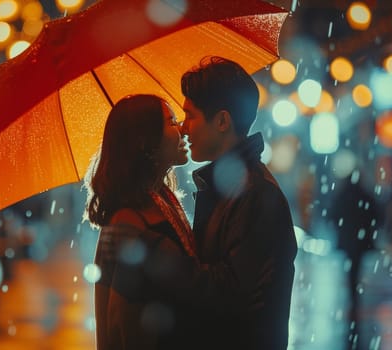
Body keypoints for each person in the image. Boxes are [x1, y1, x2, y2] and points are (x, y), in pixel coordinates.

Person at [178, 55, 297, 349]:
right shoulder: (231, 187)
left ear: (221, 121)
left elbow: (228, 294)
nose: (183, 127)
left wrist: (163, 260)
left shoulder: (255, 194)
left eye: (190, 115)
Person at [86, 94, 194, 349]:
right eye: (171, 122)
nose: (182, 130)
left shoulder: (158, 201)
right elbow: (121, 321)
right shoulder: (130, 221)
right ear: (146, 143)